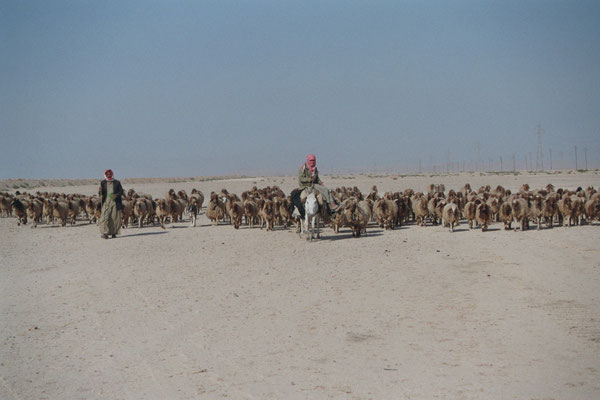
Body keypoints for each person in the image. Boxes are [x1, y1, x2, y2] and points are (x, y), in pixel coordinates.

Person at [291, 154, 339, 219]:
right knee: (324, 190)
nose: (312, 162)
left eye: (313, 160)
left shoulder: (314, 169)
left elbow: (317, 178)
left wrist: (320, 182)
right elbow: (301, 179)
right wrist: (310, 179)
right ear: (308, 160)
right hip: (306, 185)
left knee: (327, 190)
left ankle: (329, 206)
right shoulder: (303, 168)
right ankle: (331, 204)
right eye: (311, 160)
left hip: (314, 184)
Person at [99, 169, 124, 239]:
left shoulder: (117, 182)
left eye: (110, 174)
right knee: (104, 217)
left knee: (114, 218)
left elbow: (121, 191)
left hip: (115, 202)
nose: (109, 175)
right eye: (107, 174)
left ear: (112, 174)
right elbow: (101, 193)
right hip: (106, 202)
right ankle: (105, 233)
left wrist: (116, 195)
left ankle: (113, 233)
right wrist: (100, 191)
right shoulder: (103, 183)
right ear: (105, 175)